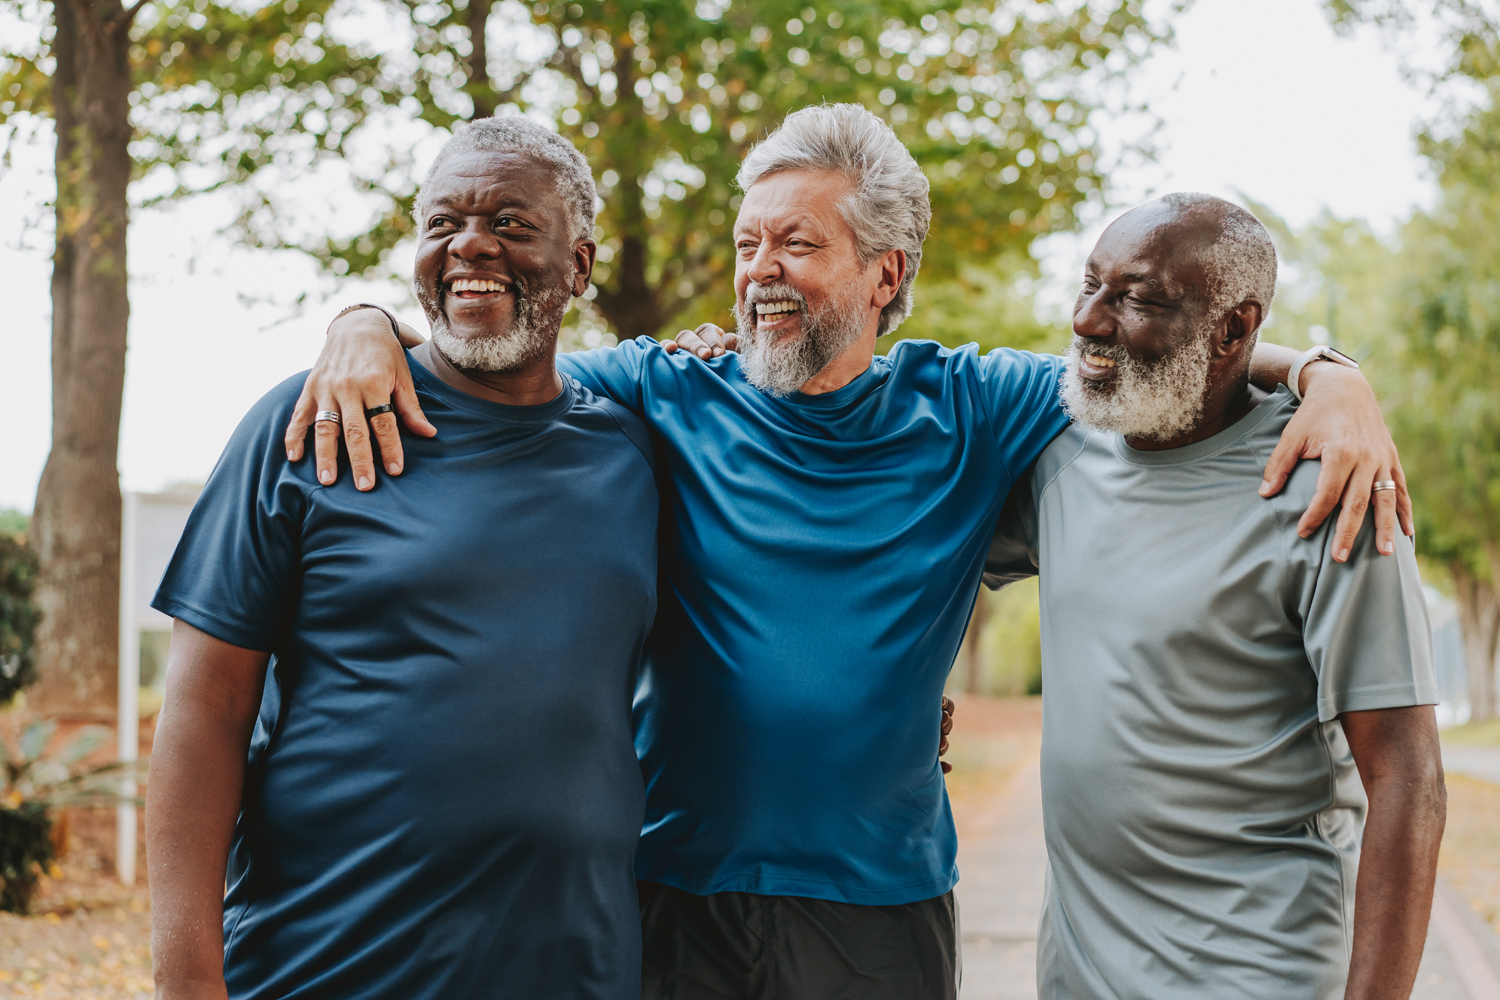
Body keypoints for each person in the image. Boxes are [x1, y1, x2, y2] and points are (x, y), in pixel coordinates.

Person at [293, 105, 1410, 998]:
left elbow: (1149, 355)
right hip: (675, 889)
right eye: (748, 243)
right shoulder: (661, 390)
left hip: (879, 913)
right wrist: (367, 319)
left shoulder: (979, 406)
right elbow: (500, 354)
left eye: (799, 242)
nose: (761, 269)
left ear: (886, 273)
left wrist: (1329, 376)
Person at [146, 118, 661, 1000]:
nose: (470, 245)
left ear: (579, 266)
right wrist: (186, 980)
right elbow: (204, 707)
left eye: (510, 223)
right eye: (443, 224)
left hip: (573, 969)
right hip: (330, 965)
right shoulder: (308, 424)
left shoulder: (636, 451)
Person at [982, 194, 1445, 999]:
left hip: (1253, 972)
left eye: (1137, 299)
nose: (1090, 321)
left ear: (1233, 328)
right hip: (1075, 977)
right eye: (1090, 285)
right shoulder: (1060, 450)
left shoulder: (1331, 484)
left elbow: (1410, 781)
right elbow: (898, 540)